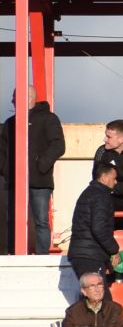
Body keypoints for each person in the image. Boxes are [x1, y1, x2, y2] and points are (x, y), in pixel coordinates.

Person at [0, 96, 63, 255]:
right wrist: (6, 169)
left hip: (40, 180)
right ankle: (11, 252)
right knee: (11, 219)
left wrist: (41, 165)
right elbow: (2, 150)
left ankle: (42, 255)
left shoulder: (48, 119)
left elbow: (58, 145)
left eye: (16, 96)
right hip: (14, 179)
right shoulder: (10, 122)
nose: (13, 100)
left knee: (41, 220)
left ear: (28, 97)